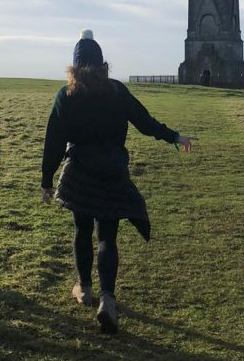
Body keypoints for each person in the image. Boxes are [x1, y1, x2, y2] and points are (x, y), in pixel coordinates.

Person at [41, 30, 192, 333]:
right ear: (101, 63)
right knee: (107, 237)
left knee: (82, 230)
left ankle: (84, 288)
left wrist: (46, 180)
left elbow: (54, 140)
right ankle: (107, 298)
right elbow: (144, 121)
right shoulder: (116, 91)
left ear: (74, 65)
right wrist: (173, 136)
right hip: (112, 170)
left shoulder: (66, 94)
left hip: (80, 172)